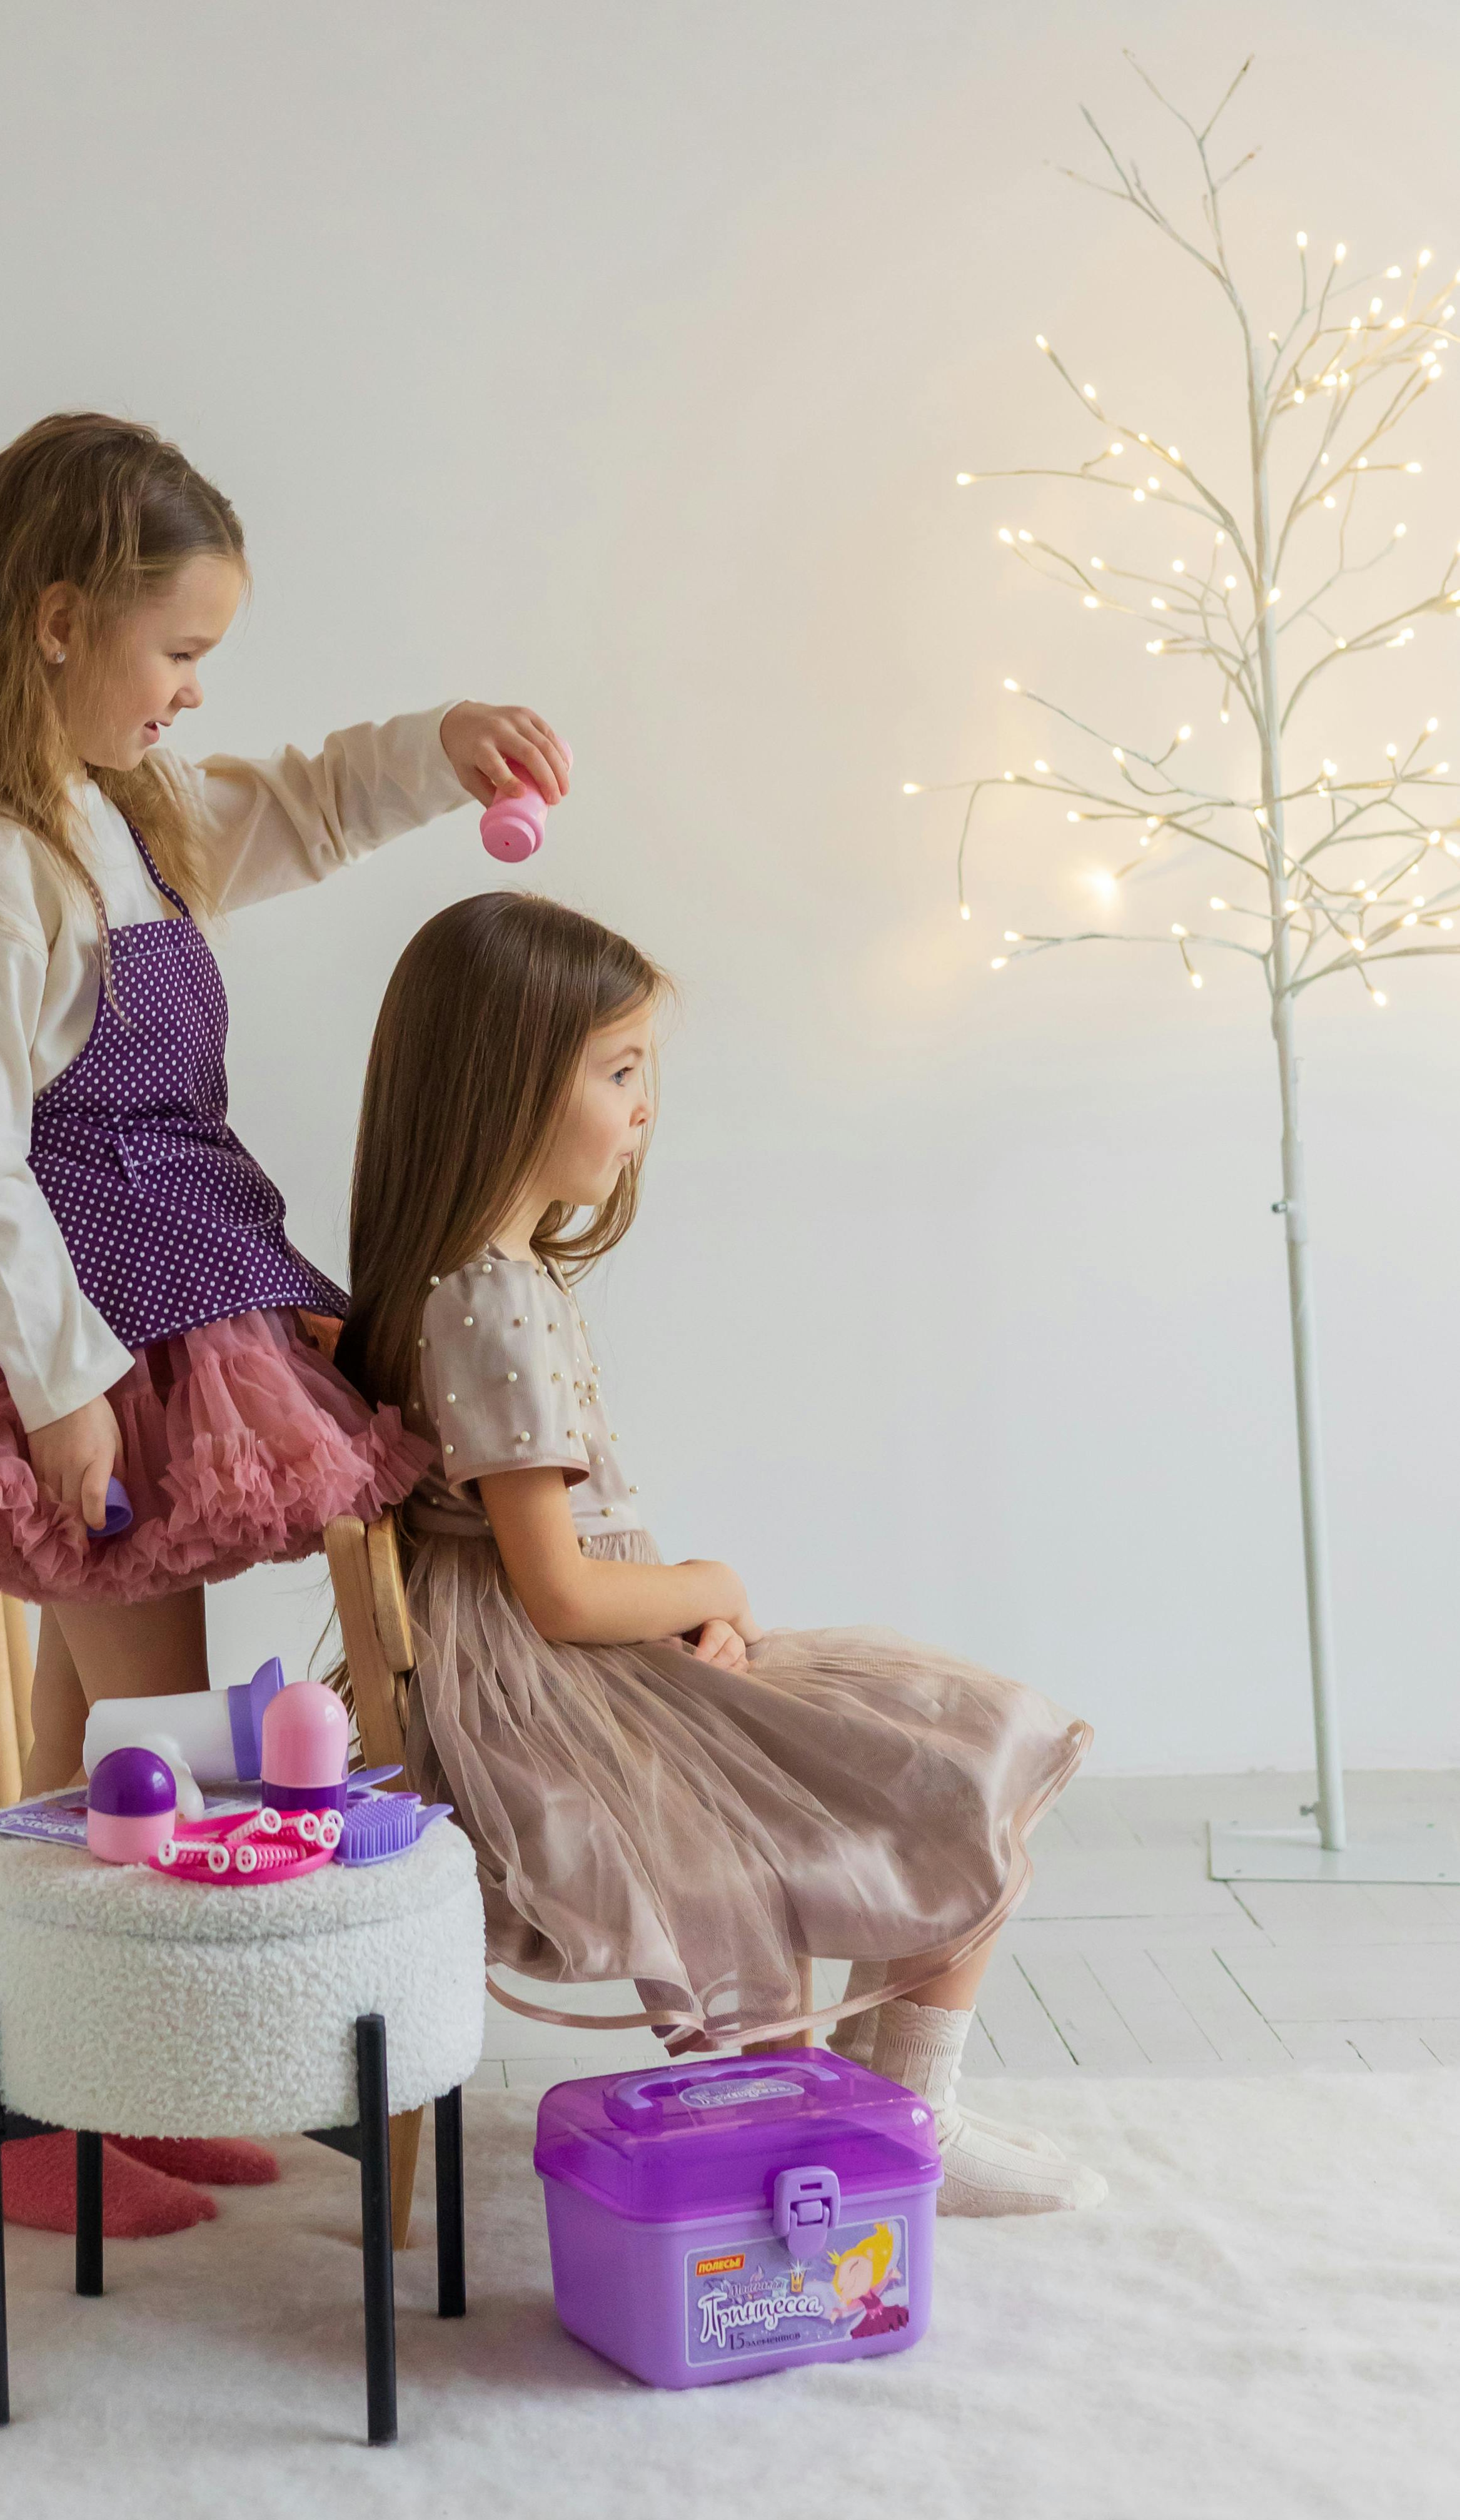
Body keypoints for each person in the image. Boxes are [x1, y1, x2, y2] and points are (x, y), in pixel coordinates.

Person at [0, 412, 568, 2232]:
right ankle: (38, 2105)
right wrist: (63, 1386)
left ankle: (60, 2090)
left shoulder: (117, 809)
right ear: (54, 623)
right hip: (71, 1317)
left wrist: (442, 747)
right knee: (145, 1729)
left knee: (82, 1721)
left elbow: (301, 804)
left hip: (165, 1279)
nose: (191, 692)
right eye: (177, 650)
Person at [335, 889, 1107, 2219]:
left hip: (571, 1669)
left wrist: (678, 1620)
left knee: (931, 1743)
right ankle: (909, 2120)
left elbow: (554, 1576)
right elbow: (558, 1591)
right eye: (619, 1071)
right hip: (552, 1696)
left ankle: (895, 2122)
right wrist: (713, 1586)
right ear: (508, 1082)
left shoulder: (464, 1280)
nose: (644, 1109)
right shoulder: (491, 1300)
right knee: (953, 1749)